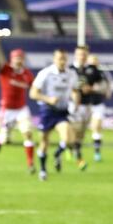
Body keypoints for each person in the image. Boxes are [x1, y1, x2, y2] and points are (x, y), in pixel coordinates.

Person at [29, 49, 80, 182]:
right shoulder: (45, 73)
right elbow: (33, 93)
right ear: (54, 59)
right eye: (59, 59)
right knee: (44, 141)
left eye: (64, 59)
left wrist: (76, 101)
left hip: (62, 111)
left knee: (68, 139)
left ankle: (57, 154)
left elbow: (75, 90)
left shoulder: (71, 74)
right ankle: (43, 169)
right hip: (47, 111)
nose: (62, 61)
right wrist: (47, 99)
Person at [0, 36, 36, 173]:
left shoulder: (27, 74)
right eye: (16, 58)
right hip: (6, 110)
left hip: (21, 109)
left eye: (20, 58)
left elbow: (34, 88)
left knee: (27, 133)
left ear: (23, 59)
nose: (18, 60)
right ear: (12, 59)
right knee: (4, 138)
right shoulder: (6, 70)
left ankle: (30, 163)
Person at [86, 54, 112, 162]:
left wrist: (106, 91)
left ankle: (97, 152)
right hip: (85, 105)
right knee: (78, 131)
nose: (93, 63)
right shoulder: (83, 72)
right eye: (91, 60)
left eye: (95, 60)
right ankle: (71, 148)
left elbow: (107, 85)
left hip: (98, 104)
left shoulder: (102, 74)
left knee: (96, 127)